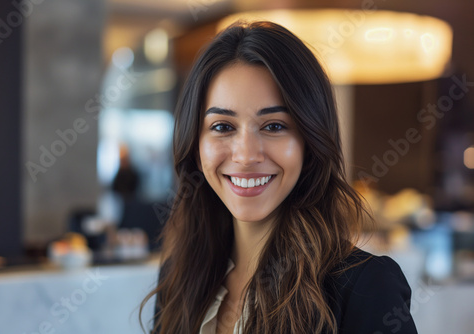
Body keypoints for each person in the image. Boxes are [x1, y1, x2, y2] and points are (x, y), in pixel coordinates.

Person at [140, 21, 418, 334]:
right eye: (222, 127)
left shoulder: (365, 287)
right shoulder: (178, 277)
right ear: (194, 143)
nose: (245, 156)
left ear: (310, 142)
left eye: (274, 126)